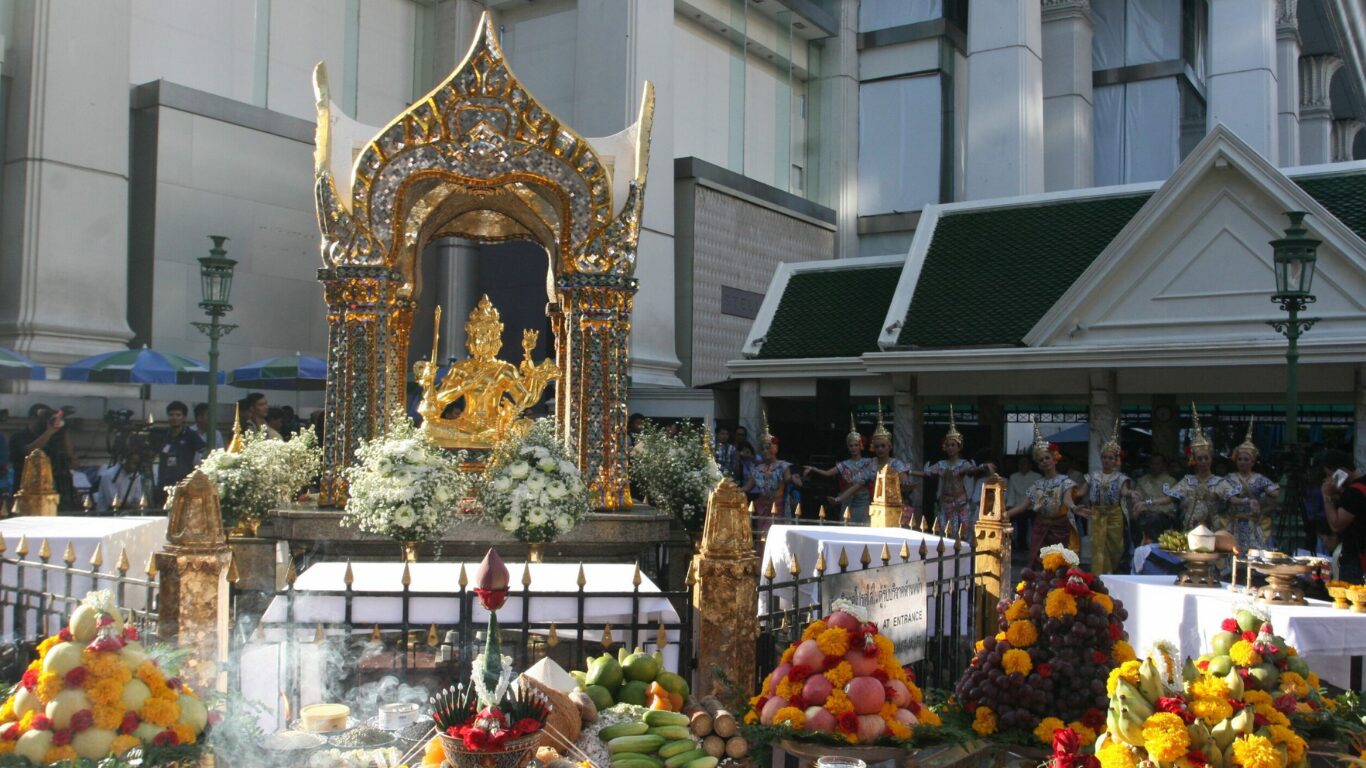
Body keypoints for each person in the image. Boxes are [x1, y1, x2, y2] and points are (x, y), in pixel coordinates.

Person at [1145, 404, 1239, 531]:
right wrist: (1147, 502)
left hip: (1212, 529)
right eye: (1200, 459)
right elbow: (1169, 499)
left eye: (1206, 458)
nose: (1203, 461)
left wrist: (1247, 501)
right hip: (1190, 528)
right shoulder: (1188, 481)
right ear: (1194, 460)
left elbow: (1233, 499)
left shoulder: (1219, 482)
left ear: (1211, 459)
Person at [1006, 420, 1078, 564]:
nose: (1044, 461)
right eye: (1040, 460)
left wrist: (1075, 508)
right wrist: (1004, 515)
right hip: (1041, 527)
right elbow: (1023, 506)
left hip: (1060, 528)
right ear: (1038, 465)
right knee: (1038, 562)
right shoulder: (1037, 485)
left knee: (1059, 563)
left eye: (1047, 458)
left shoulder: (1065, 481)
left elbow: (1067, 500)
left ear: (1055, 459)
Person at [911, 405, 993, 532]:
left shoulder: (963, 463)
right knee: (944, 533)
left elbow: (971, 470)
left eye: (953, 445)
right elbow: (926, 473)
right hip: (944, 505)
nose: (950, 448)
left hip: (960, 505)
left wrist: (982, 467)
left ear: (959, 447)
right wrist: (909, 472)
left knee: (961, 534)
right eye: (948, 445)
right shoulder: (941, 464)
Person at [1076, 420, 1131, 574]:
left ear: (1116, 461)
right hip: (1097, 513)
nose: (1107, 460)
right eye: (1105, 457)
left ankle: (1112, 570)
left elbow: (1124, 492)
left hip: (1114, 513)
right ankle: (1099, 575)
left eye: (1110, 458)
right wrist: (1066, 492)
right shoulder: (1093, 476)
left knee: (1116, 546)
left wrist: (1131, 493)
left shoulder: (1121, 477)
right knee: (1098, 545)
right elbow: (1081, 492)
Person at [805, 415, 876, 523]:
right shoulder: (844, 464)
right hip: (848, 499)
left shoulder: (869, 462)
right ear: (848, 447)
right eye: (851, 446)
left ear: (860, 446)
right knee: (847, 524)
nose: (853, 448)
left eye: (856, 445)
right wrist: (813, 468)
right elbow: (828, 473)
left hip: (863, 499)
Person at [1225, 417, 1279, 552]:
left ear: (1252, 462)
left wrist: (1263, 504)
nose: (1242, 462)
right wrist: (1248, 501)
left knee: (1255, 554)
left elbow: (1275, 493)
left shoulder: (1259, 478)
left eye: (1246, 459)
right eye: (1240, 459)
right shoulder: (1230, 478)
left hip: (1253, 523)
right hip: (1234, 523)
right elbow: (1229, 498)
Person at [741, 416, 800, 539]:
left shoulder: (783, 466)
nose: (765, 451)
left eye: (768, 447)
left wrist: (793, 479)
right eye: (763, 448)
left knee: (777, 536)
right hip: (763, 507)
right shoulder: (758, 469)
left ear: (775, 448)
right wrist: (730, 488)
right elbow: (747, 488)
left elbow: (787, 479)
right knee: (762, 536)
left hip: (778, 507)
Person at [9, 403, 77, 508]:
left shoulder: (52, 437)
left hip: (52, 492)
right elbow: (29, 451)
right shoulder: (18, 437)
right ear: (32, 418)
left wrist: (63, 431)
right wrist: (49, 432)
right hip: (26, 492)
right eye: (42, 419)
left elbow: (72, 461)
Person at [1322, 450, 1365, 582]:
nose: (1330, 480)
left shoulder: (1354, 492)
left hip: (1356, 559)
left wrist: (1327, 496)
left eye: (1331, 475)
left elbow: (1336, 525)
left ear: (1342, 471)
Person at [154, 401, 205, 505]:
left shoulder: (191, 435)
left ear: (184, 417)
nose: (174, 418)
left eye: (178, 415)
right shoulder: (162, 435)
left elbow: (204, 452)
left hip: (184, 485)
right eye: (171, 415)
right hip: (164, 485)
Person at [1132, 453, 1177, 536]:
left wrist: (1159, 512)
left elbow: (1172, 503)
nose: (1154, 466)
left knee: (1156, 519)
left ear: (1163, 465)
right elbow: (1136, 499)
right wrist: (1143, 510)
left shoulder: (1171, 481)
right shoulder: (1142, 481)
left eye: (1157, 464)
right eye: (1152, 464)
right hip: (1145, 515)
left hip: (1164, 517)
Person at [95, 447, 151, 513]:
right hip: (108, 514)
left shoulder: (136, 475)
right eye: (134, 463)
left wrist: (137, 504)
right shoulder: (109, 475)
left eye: (138, 464)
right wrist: (133, 506)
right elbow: (113, 502)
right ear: (124, 461)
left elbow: (138, 498)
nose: (136, 467)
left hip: (128, 513)